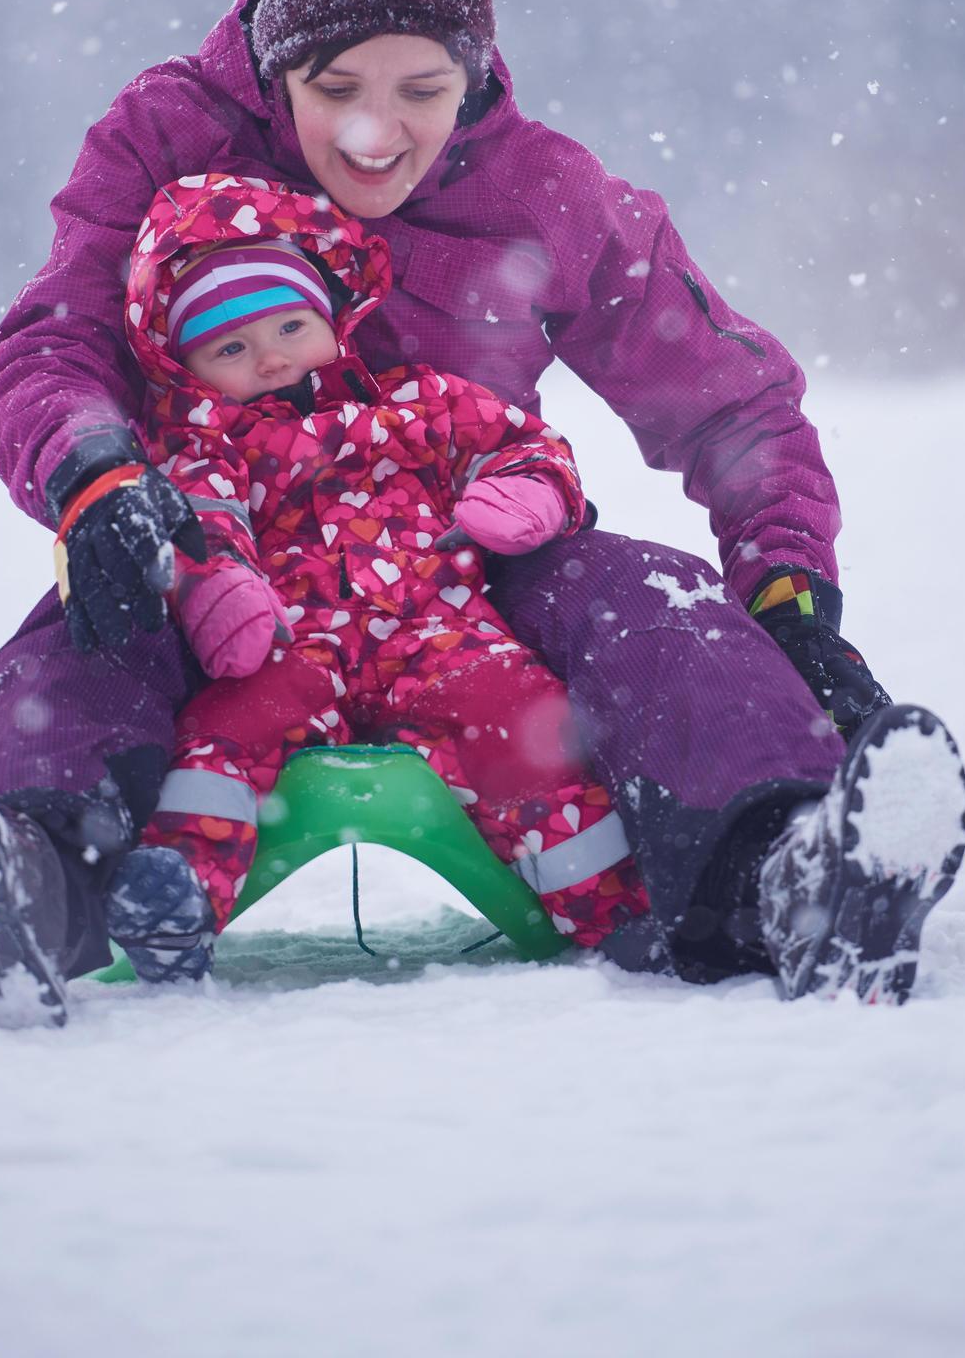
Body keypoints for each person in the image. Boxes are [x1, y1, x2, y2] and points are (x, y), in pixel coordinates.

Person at [0, 0, 965, 1028]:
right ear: (270, 62)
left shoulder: (543, 191)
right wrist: (94, 474)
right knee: (85, 637)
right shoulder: (169, 137)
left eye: (421, 91)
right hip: (223, 548)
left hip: (472, 557)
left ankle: (791, 870)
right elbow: (58, 334)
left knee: (656, 605)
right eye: (332, 88)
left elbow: (731, 402)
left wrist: (787, 592)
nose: (369, 133)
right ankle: (20, 885)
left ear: (478, 72)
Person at [101, 170, 647, 980]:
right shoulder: (210, 440)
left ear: (329, 319)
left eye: (290, 327)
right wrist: (215, 589)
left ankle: (613, 907)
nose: (272, 359)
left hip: (439, 629)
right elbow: (199, 517)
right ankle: (176, 895)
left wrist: (527, 493)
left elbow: (521, 441)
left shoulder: (417, 402)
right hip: (293, 639)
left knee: (520, 718)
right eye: (231, 349)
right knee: (228, 726)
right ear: (190, 367)